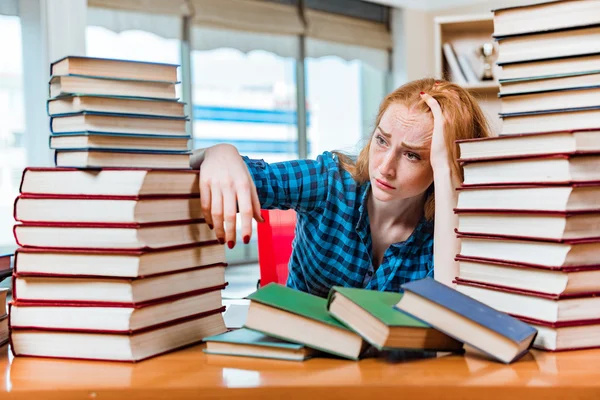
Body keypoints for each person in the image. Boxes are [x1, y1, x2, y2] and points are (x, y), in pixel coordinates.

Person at [191, 78, 492, 297]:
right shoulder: (329, 182)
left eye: (412, 155)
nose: (385, 166)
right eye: (382, 140)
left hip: (397, 377)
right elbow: (225, 175)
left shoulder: (452, 226)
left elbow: (452, 311)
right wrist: (218, 153)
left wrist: (445, 169)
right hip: (304, 365)